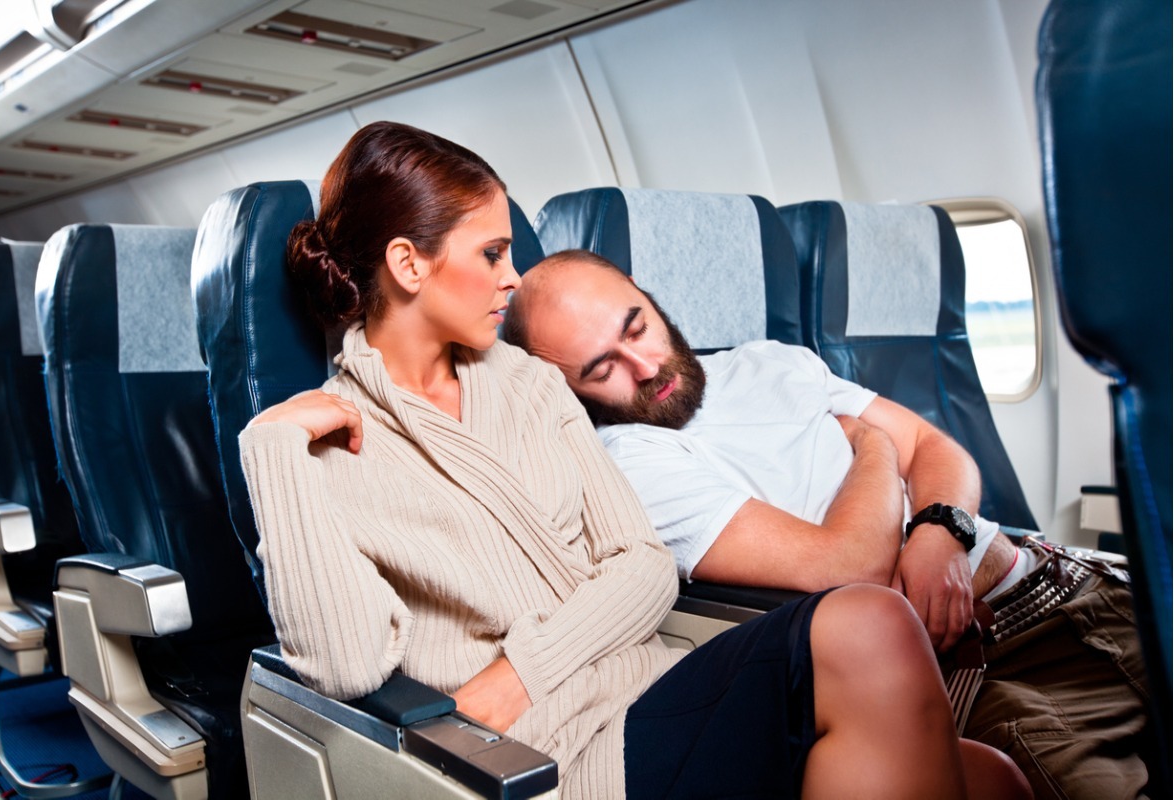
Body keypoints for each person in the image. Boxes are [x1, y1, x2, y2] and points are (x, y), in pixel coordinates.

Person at [238, 121, 1028, 799]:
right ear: (410, 265)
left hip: (637, 684)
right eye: (492, 251)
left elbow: (645, 566)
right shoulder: (322, 443)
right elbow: (344, 668)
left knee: (994, 781)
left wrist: (520, 671)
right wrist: (270, 452)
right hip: (534, 755)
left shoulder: (530, 387)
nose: (513, 277)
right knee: (869, 625)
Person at [502, 248, 1153, 800]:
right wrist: (874, 446)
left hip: (1080, 582)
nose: (645, 368)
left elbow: (937, 448)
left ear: (648, 297)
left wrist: (936, 531)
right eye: (601, 368)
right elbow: (849, 571)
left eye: (635, 327)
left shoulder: (769, 360)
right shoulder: (628, 464)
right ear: (568, 390)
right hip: (994, 663)